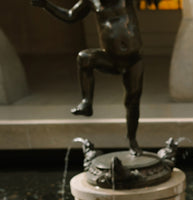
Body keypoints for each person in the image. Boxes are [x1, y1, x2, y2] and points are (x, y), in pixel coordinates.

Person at [30, 0, 144, 154]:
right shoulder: (91, 1)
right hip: (110, 58)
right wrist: (46, 5)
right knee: (84, 58)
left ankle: (132, 140)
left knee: (132, 100)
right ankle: (86, 102)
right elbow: (71, 16)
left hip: (133, 59)